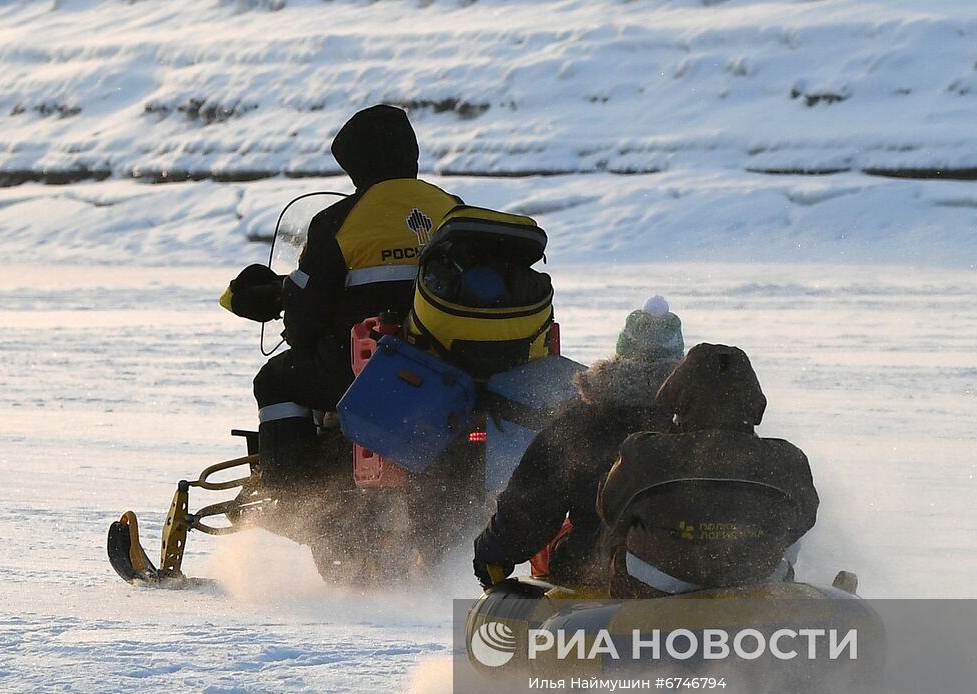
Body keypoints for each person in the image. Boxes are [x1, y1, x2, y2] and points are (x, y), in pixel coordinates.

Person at [229, 105, 461, 486]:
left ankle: (293, 495)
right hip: (444, 370)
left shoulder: (339, 221)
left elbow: (304, 322)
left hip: (363, 371)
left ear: (356, 163)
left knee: (275, 380)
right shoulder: (450, 208)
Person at [472, 297, 685, 589]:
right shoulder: (703, 417)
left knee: (562, 540)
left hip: (602, 569)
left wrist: (493, 554)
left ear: (622, 353)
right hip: (701, 565)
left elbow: (532, 502)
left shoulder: (583, 420)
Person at [597, 343, 820, 598]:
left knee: (618, 538)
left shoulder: (645, 453)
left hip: (657, 588)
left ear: (679, 398)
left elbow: (611, 510)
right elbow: (804, 519)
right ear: (753, 401)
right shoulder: (788, 460)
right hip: (756, 584)